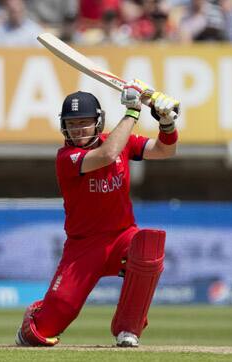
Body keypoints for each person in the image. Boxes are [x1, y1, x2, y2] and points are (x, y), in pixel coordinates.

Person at [15, 80, 180, 348]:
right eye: (72, 123)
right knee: (43, 330)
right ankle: (38, 316)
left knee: (148, 246)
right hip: (83, 247)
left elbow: (165, 150)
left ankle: (128, 329)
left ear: (98, 122)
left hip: (122, 236)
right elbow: (107, 154)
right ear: (63, 126)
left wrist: (166, 123)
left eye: (84, 122)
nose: (78, 129)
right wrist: (133, 112)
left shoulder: (119, 141)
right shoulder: (66, 157)